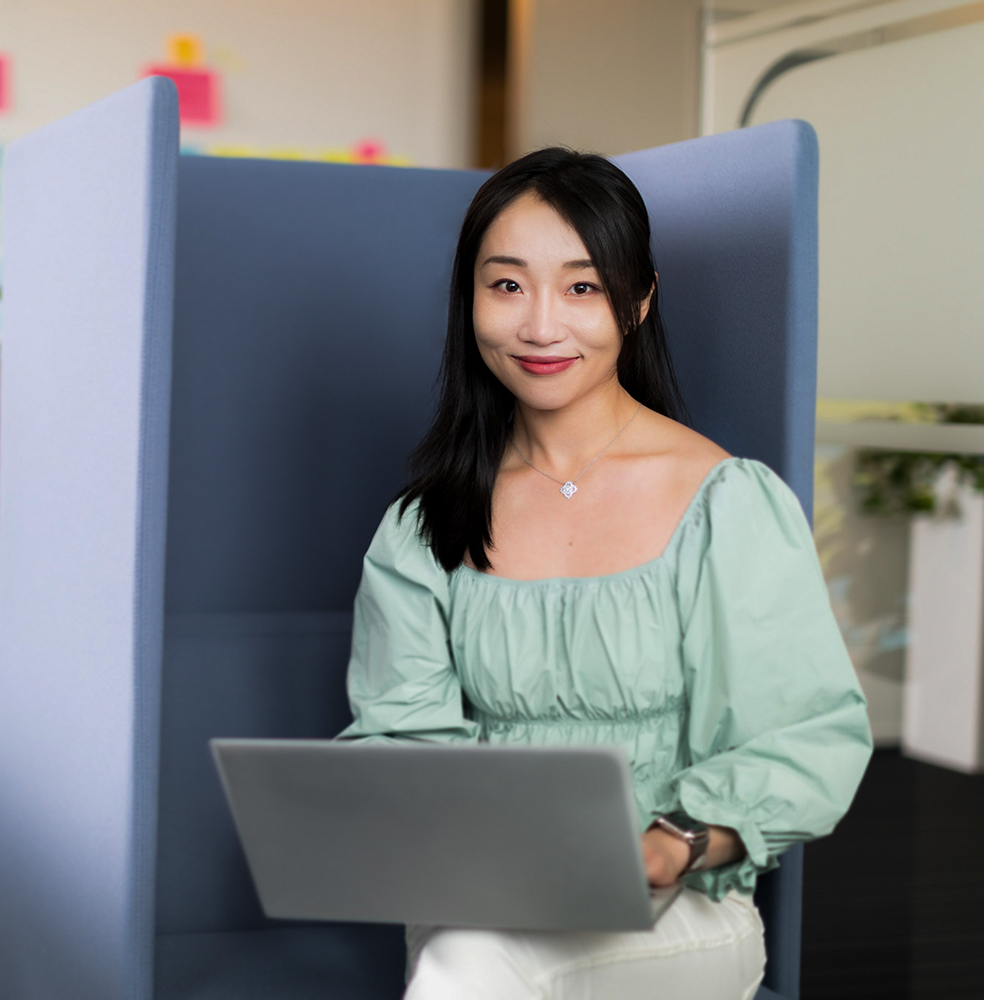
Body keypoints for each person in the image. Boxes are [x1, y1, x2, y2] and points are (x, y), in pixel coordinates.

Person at [337, 147, 873, 999]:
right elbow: (403, 742)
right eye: (506, 285)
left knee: (464, 969)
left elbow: (805, 737)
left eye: (582, 287)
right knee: (467, 949)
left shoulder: (727, 502)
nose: (541, 325)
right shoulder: (422, 526)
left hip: (679, 907)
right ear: (468, 298)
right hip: (480, 901)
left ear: (640, 298)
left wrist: (673, 842)